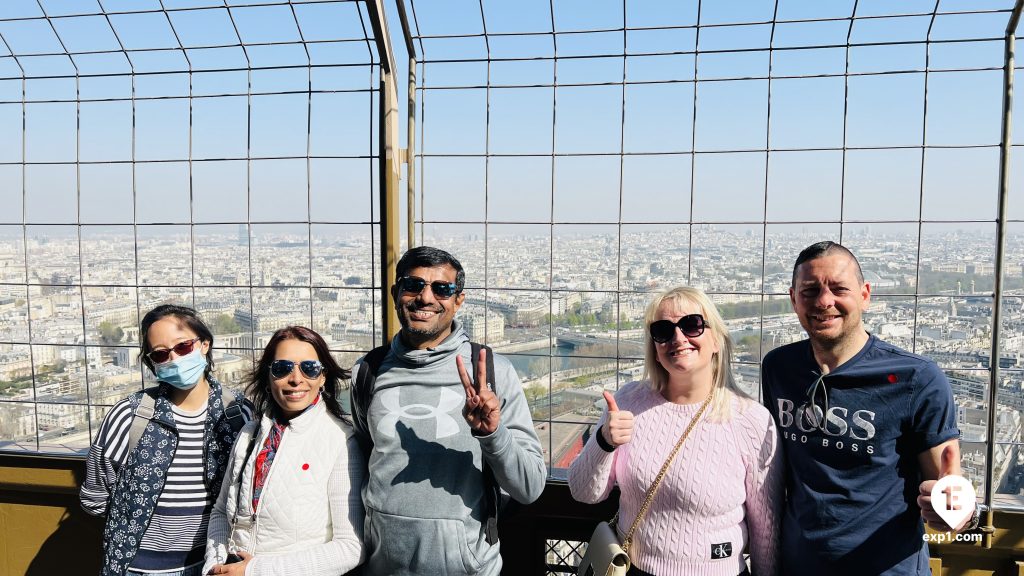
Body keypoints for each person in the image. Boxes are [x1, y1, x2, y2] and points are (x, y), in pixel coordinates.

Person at [761, 241, 972, 575]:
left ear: (865, 295)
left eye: (838, 289)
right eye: (810, 290)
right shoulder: (778, 368)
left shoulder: (917, 379)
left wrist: (956, 512)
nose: (824, 301)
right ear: (793, 299)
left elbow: (949, 495)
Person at [350, 246, 545, 575]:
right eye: (414, 285)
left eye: (441, 289)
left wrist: (492, 434)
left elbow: (530, 486)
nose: (426, 298)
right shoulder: (367, 372)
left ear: (459, 300)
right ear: (396, 293)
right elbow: (361, 467)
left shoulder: (494, 373)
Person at [569, 286, 781, 576]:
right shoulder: (628, 401)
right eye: (663, 330)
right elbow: (584, 493)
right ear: (655, 348)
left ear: (717, 339)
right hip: (633, 569)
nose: (678, 338)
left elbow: (765, 530)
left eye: (692, 325)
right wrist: (603, 442)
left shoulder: (751, 421)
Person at [80, 304, 254, 576]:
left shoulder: (238, 413)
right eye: (161, 354)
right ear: (152, 363)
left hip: (214, 565)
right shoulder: (127, 416)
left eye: (183, 347)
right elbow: (95, 496)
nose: (174, 359)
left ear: (204, 344)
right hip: (138, 568)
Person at [203, 326, 365, 576]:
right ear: (268, 377)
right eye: (282, 368)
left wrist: (254, 570)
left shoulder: (342, 441)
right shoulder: (249, 434)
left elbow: (350, 547)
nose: (296, 378)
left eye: (309, 368)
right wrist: (215, 566)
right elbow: (222, 512)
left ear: (323, 377)